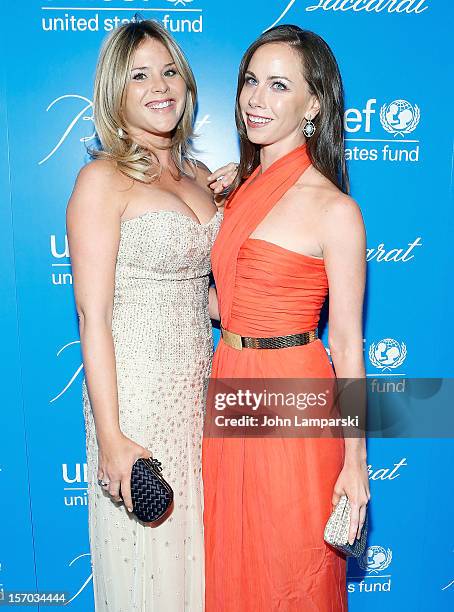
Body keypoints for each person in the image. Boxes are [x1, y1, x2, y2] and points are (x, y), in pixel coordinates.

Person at [203, 25, 370, 611]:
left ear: (314, 104)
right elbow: (221, 301)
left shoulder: (335, 210)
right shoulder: (235, 192)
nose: (256, 99)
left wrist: (355, 462)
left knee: (287, 566)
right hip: (229, 380)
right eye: (251, 81)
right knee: (232, 556)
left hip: (294, 396)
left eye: (279, 85)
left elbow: (348, 344)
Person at [66, 19, 231, 611]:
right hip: (135, 397)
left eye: (169, 71)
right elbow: (92, 317)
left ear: (186, 84)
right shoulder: (100, 180)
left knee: (204, 560)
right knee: (150, 570)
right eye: (139, 75)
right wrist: (111, 438)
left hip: (200, 390)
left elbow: (209, 294)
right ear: (116, 91)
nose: (159, 86)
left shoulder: (200, 179)